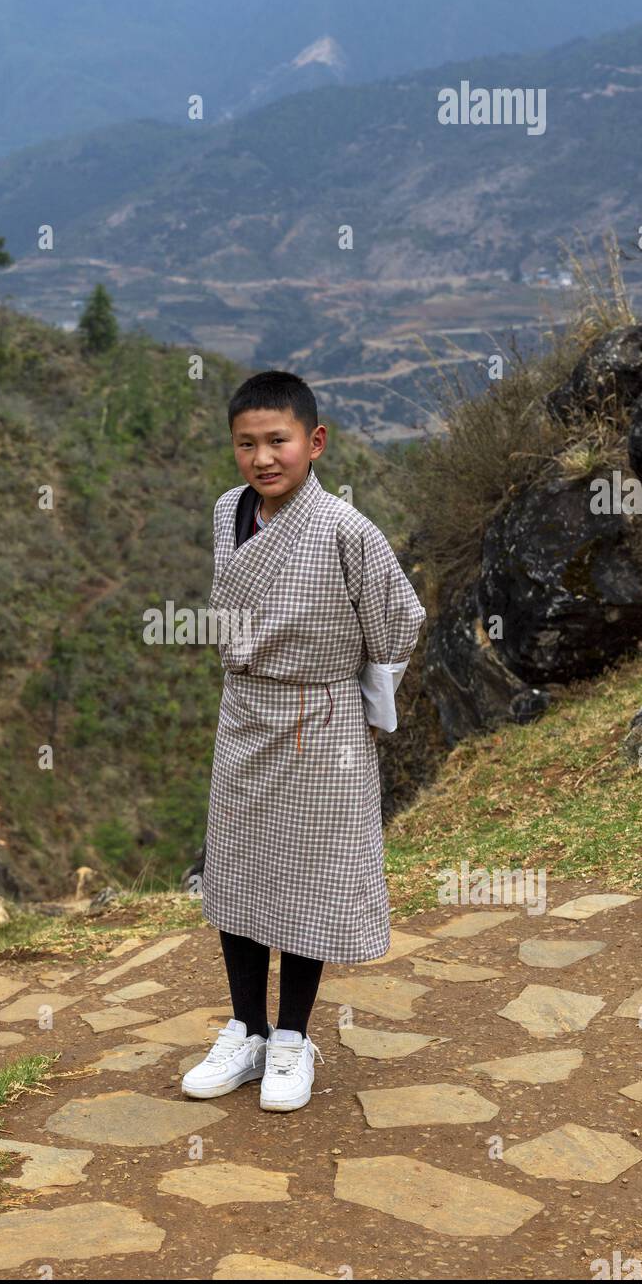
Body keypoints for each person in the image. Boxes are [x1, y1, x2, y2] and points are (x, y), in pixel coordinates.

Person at [182, 370, 427, 1112]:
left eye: (277, 442)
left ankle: (292, 1039)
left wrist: (360, 705)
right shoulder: (229, 514)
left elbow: (397, 622)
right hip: (245, 714)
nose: (263, 458)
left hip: (320, 722)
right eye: (246, 444)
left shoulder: (347, 530)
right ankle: (245, 1030)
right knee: (237, 874)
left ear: (313, 443)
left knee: (310, 880)